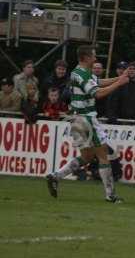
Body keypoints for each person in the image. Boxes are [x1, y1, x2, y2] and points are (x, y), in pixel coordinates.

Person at [46, 45, 129, 203]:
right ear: (85, 58)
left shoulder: (80, 72)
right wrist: (119, 84)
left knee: (87, 156)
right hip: (87, 119)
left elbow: (99, 82)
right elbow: (97, 93)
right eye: (93, 56)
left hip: (76, 119)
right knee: (104, 155)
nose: (96, 59)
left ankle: (56, 176)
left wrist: (119, 78)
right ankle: (110, 195)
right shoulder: (82, 74)